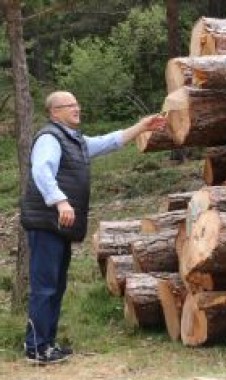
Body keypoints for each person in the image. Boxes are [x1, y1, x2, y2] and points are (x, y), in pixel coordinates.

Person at [20, 91, 166, 365]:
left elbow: (109, 142)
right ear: (55, 112)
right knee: (45, 287)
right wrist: (60, 201)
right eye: (69, 105)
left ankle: (47, 345)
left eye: (77, 103)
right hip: (46, 223)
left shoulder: (74, 141)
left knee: (56, 285)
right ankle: (36, 348)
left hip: (57, 225)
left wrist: (142, 127)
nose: (77, 108)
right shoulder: (50, 138)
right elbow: (42, 170)